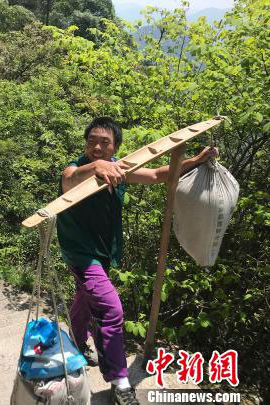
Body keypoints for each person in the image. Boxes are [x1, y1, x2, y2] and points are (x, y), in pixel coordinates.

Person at [57, 117, 218, 405]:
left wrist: (195, 160)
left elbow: (157, 174)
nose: (96, 146)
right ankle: (119, 381)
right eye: (92, 140)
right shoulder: (76, 167)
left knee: (84, 296)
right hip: (80, 252)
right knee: (110, 309)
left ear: (115, 146)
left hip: (103, 250)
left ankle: (77, 338)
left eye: (104, 143)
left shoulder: (120, 168)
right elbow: (69, 181)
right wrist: (95, 166)